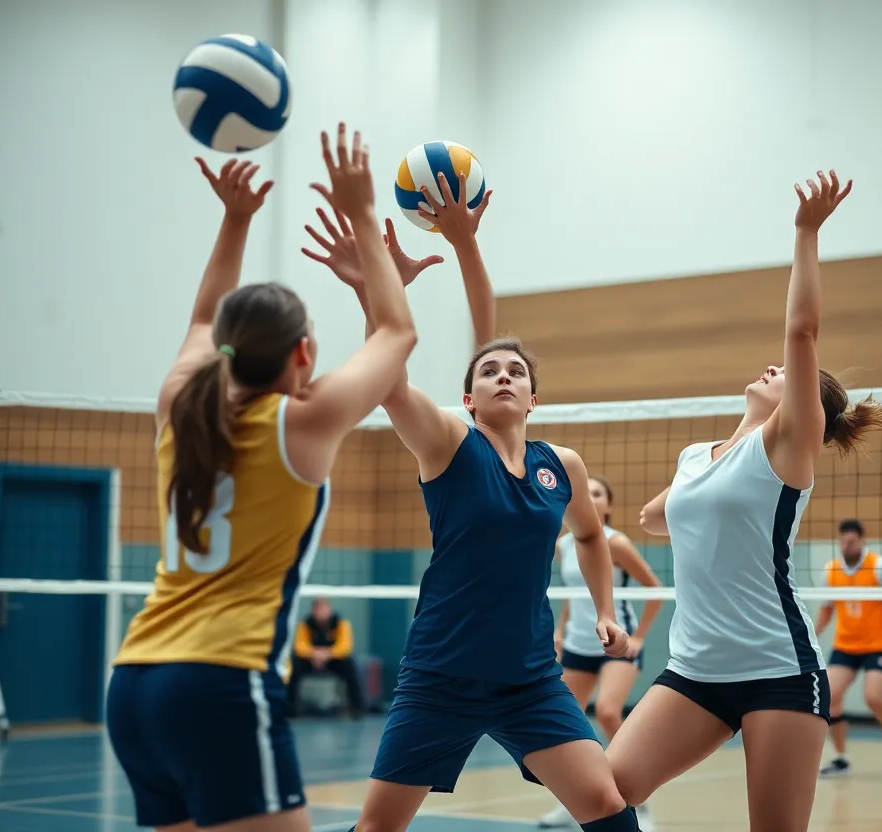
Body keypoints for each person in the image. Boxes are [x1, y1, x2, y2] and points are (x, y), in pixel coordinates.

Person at [104, 123, 419, 832]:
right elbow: (398, 335)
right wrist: (364, 213)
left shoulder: (177, 404)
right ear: (305, 352)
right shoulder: (300, 423)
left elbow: (199, 317)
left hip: (134, 682)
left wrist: (235, 219)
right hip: (221, 682)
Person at [304, 172, 640, 832]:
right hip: (442, 675)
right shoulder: (449, 445)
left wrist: (605, 609)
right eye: (489, 371)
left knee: (605, 805)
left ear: (533, 398)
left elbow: (594, 537)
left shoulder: (560, 466)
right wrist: (382, 287)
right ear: (469, 399)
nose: (503, 374)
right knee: (378, 828)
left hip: (530, 679)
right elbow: (391, 380)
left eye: (517, 371)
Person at [605, 171, 882, 832]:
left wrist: (805, 231)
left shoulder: (788, 451)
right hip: (694, 671)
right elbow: (656, 519)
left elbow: (801, 331)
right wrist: (655, 518)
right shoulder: (694, 458)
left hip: (777, 668)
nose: (774, 368)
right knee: (608, 790)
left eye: (787, 377)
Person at [540, 474, 664, 830]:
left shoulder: (617, 543)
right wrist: (561, 628)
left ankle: (639, 804)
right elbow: (575, 592)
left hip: (617, 643)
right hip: (578, 645)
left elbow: (655, 589)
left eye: (597, 493)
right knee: (563, 725)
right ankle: (573, 802)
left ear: (608, 505)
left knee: (609, 712)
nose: (590, 498)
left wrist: (639, 636)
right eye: (585, 492)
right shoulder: (563, 544)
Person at [814, 518, 882, 776]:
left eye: (851, 541)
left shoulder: (878, 566)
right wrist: (811, 634)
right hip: (845, 645)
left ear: (862, 541)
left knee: (873, 699)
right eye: (842, 541)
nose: (846, 545)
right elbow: (826, 609)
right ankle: (841, 758)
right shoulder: (831, 571)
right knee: (830, 698)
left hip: (877, 645)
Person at [289, 598, 366, 717]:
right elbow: (300, 646)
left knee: (349, 664)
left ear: (329, 609)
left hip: (333, 660)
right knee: (293, 665)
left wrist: (327, 654)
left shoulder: (341, 623)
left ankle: (357, 709)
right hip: (310, 660)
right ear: (313, 611)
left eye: (323, 608)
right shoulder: (305, 624)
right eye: (318, 609)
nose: (321, 612)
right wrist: (314, 654)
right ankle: (290, 709)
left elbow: (345, 646)